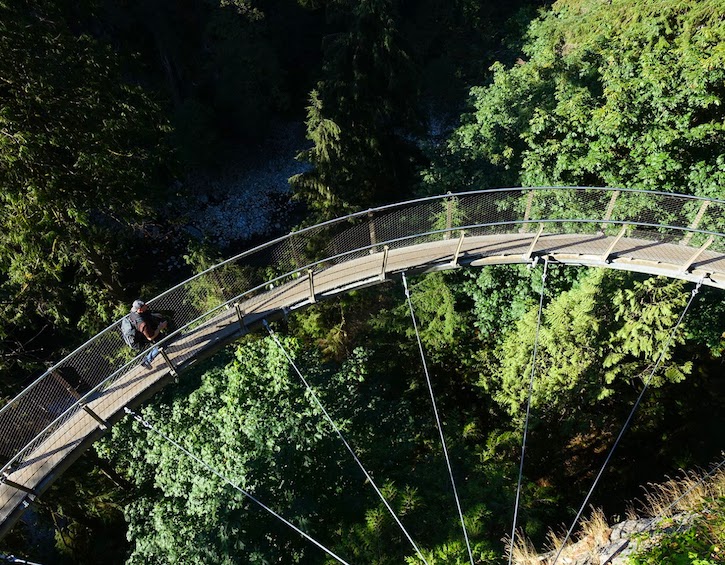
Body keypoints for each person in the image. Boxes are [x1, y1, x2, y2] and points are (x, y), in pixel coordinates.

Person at [129, 299, 168, 369]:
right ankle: (146, 361)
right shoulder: (142, 324)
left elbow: (145, 314)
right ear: (140, 310)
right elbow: (150, 337)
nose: (147, 306)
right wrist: (160, 327)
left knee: (162, 340)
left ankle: (162, 347)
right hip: (142, 336)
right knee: (160, 344)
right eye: (145, 306)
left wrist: (153, 315)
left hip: (145, 331)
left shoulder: (133, 311)